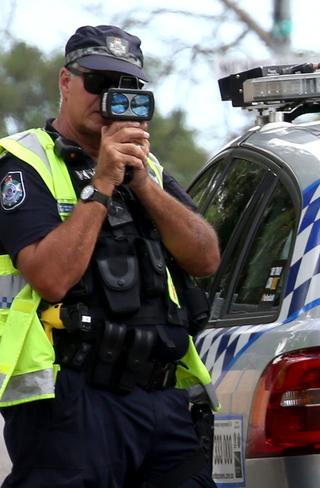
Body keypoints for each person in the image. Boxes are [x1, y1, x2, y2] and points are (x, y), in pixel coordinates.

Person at [0, 25, 221, 487]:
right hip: (72, 400)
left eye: (126, 88)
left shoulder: (148, 168)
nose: (109, 99)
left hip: (161, 397)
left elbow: (205, 258)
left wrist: (139, 181)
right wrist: (100, 183)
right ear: (65, 81)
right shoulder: (23, 162)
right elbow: (51, 278)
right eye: (97, 83)